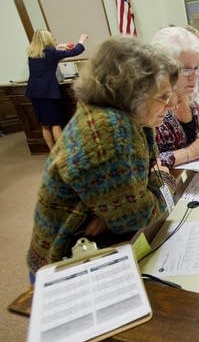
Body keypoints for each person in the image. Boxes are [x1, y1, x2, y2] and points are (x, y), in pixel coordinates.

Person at [26, 36, 180, 281]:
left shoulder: (129, 117)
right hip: (62, 265)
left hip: (90, 248)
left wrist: (115, 212)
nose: (171, 105)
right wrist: (167, 182)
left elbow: (138, 190)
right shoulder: (109, 131)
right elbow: (136, 215)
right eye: (163, 96)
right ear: (132, 93)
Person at [151, 26, 199, 169]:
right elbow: (144, 166)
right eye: (185, 69)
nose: (193, 77)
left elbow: (197, 134)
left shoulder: (186, 94)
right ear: (162, 68)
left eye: (197, 68)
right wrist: (190, 152)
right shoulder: (150, 106)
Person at [25, 30, 88, 150]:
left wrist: (59, 46)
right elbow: (75, 51)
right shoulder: (51, 52)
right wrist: (81, 40)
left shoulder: (32, 53)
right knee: (55, 124)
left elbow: (47, 55)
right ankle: (61, 153)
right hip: (48, 92)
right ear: (48, 39)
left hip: (34, 92)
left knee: (45, 125)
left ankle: (51, 151)